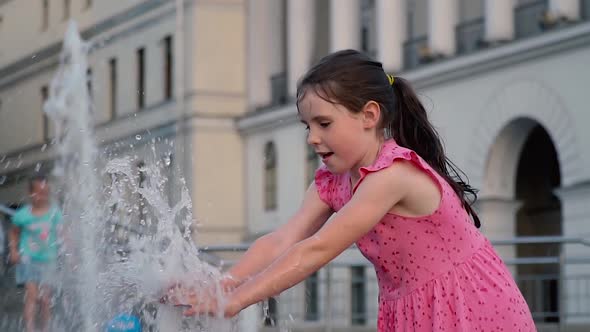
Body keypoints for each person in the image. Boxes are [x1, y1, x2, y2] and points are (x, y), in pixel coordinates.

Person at [166, 50, 535, 331]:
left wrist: (236, 301)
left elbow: (318, 248)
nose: (312, 138)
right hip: (411, 310)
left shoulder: (392, 176)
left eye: (324, 123)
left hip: (470, 307)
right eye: (306, 126)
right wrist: (222, 283)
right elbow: (283, 240)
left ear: (369, 116)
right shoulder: (331, 181)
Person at [9, 175, 62, 332]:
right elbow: (13, 233)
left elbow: (63, 234)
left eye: (45, 193)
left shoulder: (54, 213)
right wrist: (13, 250)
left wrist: (72, 255)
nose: (41, 197)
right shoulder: (22, 215)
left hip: (49, 260)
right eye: (38, 193)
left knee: (46, 299)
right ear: (30, 193)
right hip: (28, 260)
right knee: (32, 296)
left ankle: (46, 328)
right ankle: (30, 328)